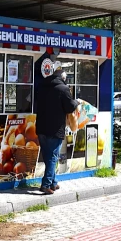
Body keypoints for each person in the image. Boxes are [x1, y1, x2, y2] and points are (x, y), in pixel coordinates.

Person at [35, 61, 79, 195]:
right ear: (63, 78)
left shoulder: (42, 87)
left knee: (48, 156)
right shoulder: (63, 89)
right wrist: (76, 102)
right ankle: (46, 184)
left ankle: (53, 183)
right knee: (53, 156)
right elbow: (69, 107)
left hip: (41, 127)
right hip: (55, 128)